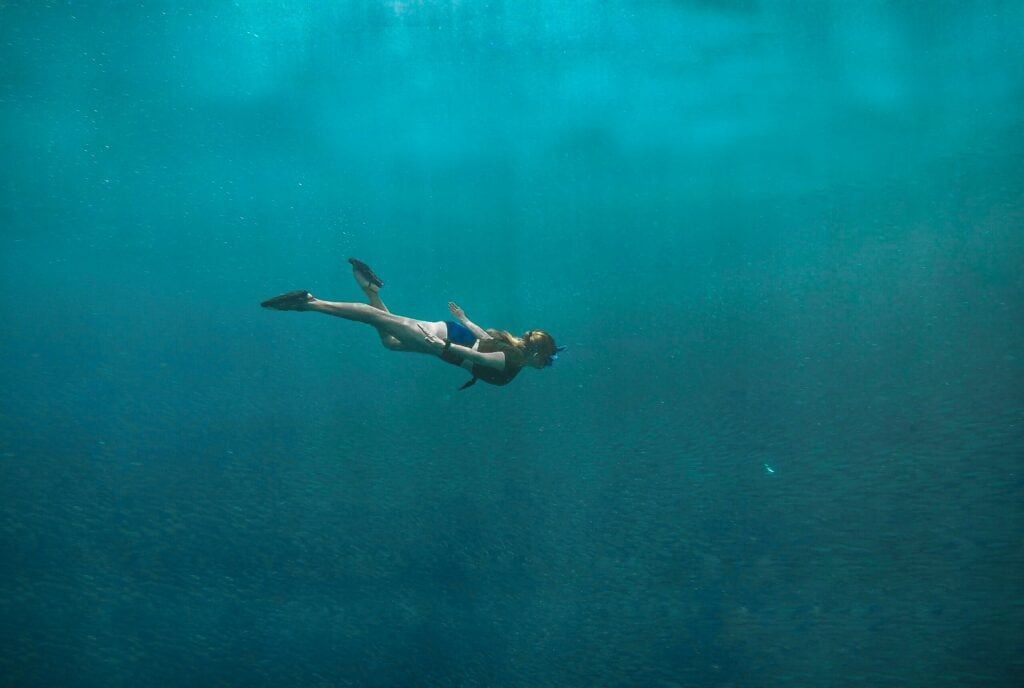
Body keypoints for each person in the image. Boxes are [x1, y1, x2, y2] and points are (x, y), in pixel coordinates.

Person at [261, 258, 565, 390]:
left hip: (450, 340)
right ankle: (310, 301)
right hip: (447, 342)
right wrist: (444, 343)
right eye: (548, 360)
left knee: (389, 341)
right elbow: (480, 356)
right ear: (538, 354)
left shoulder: (512, 353)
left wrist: (463, 320)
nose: (546, 366)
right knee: (375, 318)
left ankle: (370, 289)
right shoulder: (512, 360)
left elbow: (485, 340)